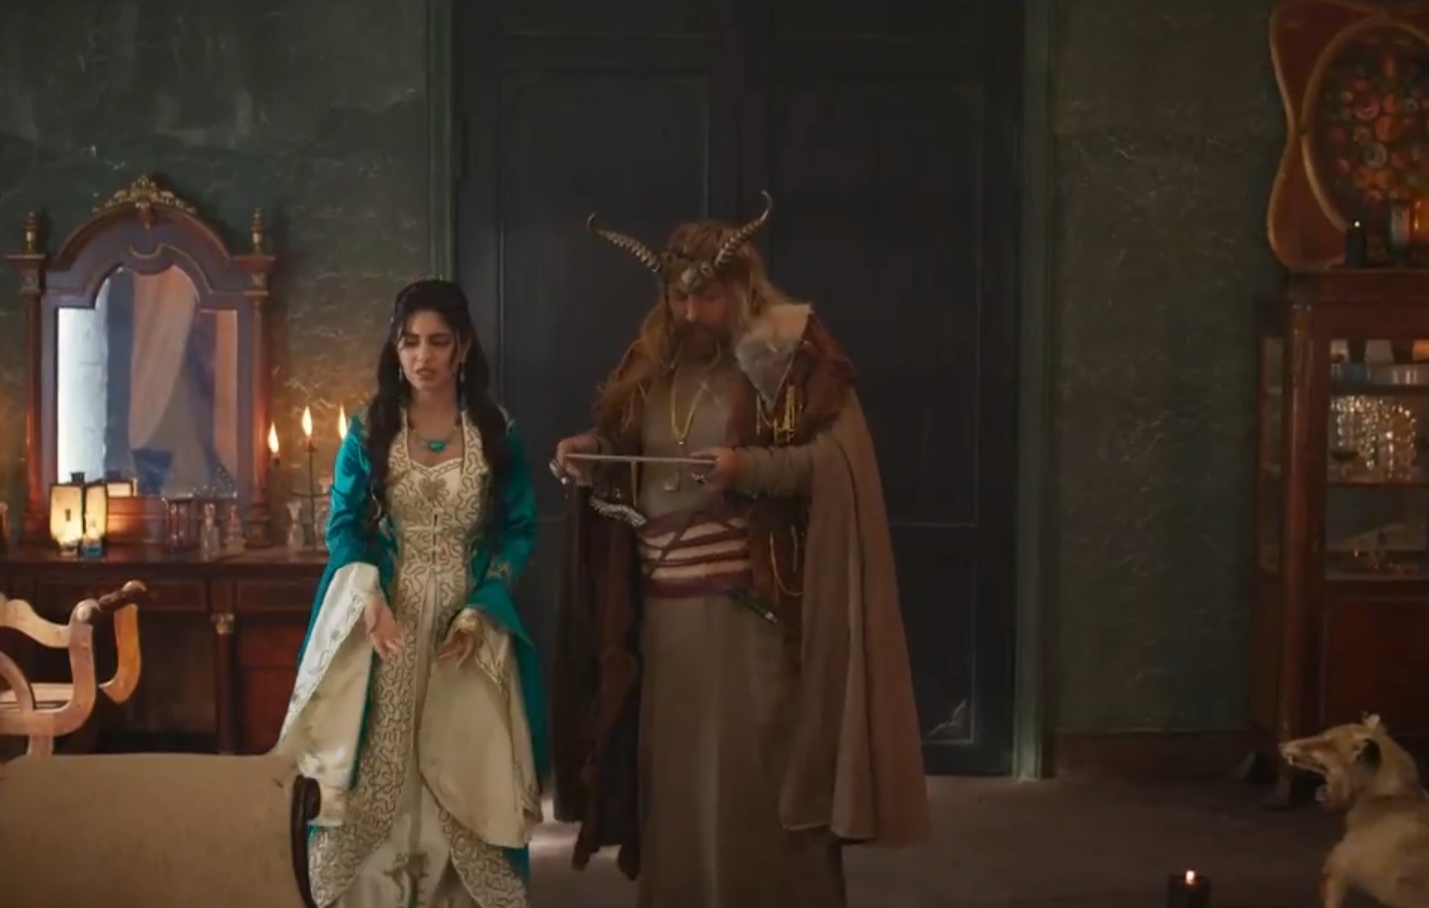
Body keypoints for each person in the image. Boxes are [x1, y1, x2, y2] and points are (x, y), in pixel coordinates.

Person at [550, 194, 932, 908]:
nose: (690, 312)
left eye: (708, 296)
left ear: (741, 289)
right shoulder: (652, 365)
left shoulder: (787, 355)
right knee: (677, 792)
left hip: (751, 617)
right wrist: (590, 453)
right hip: (664, 628)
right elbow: (629, 454)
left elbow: (837, 463)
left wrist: (747, 467)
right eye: (678, 296)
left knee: (759, 785)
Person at [274, 278, 547, 908]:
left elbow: (519, 531)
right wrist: (367, 596)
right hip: (385, 622)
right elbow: (344, 524)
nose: (423, 356)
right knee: (376, 759)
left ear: (463, 347)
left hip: (465, 625)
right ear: (395, 349)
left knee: (466, 761)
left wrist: (483, 607)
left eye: (438, 342)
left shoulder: (495, 431)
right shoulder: (371, 429)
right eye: (410, 342)